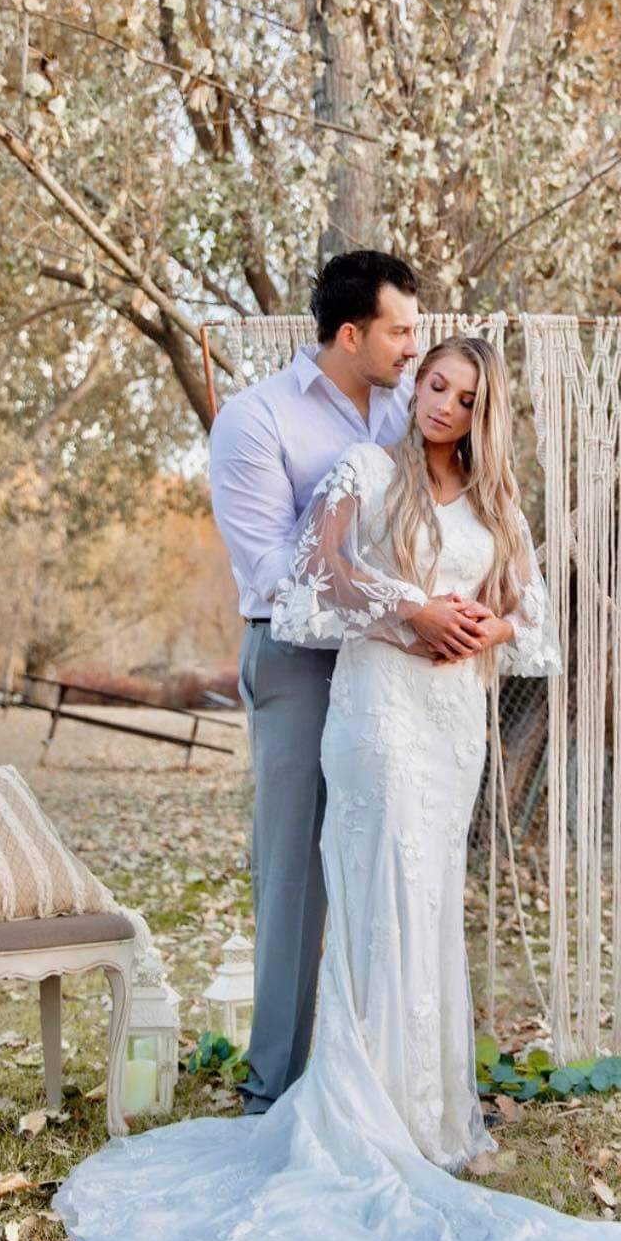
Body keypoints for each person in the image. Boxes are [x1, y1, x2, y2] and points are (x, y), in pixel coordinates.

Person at [52, 338, 621, 1241]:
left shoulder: (494, 500)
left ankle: (430, 1116)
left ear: (486, 413)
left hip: (452, 719)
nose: (441, 405)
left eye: (465, 397)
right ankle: (362, 1111)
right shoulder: (365, 468)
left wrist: (487, 624)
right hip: (380, 708)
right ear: (416, 382)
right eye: (433, 382)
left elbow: (534, 614)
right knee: (376, 896)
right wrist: (414, 611)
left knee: (429, 896)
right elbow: (318, 578)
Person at [203, 250, 489, 1114]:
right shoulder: (257, 421)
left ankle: (385, 1084)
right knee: (296, 875)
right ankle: (275, 1089)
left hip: (404, 678)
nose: (415, 347)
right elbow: (274, 578)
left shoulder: (416, 407)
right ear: (353, 332)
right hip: (298, 663)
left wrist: (469, 619)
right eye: (401, 330)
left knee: (395, 868)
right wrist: (411, 610)